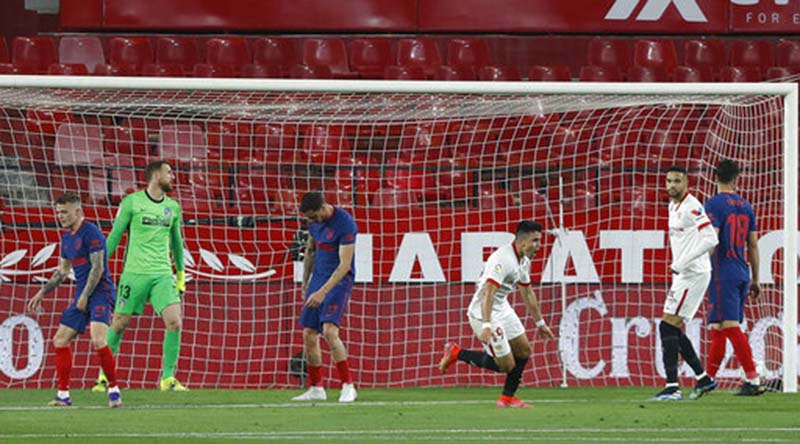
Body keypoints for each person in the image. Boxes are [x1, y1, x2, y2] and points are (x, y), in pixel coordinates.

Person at [93, 160, 188, 392]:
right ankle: (105, 377)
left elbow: (176, 242)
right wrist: (97, 267)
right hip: (134, 274)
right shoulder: (132, 202)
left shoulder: (173, 207)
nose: (173, 176)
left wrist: (181, 274)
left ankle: (167, 379)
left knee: (175, 322)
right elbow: (115, 236)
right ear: (155, 175)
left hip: (162, 274)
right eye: (169, 172)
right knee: (119, 323)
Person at [438, 220, 555, 408]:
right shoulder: (504, 260)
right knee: (506, 365)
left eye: (539, 241)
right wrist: (486, 324)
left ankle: (507, 398)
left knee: (524, 350)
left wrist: (540, 324)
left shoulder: (523, 260)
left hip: (501, 307)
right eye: (535, 241)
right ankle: (457, 353)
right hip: (482, 312)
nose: (538, 246)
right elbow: (488, 293)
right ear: (522, 242)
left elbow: (527, 292)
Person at [26, 193, 122, 408]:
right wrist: (42, 292)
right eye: (58, 212)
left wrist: (85, 296)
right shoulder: (66, 237)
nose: (60, 216)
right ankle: (63, 395)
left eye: (64, 212)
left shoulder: (92, 233)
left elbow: (98, 268)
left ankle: (114, 390)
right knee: (60, 340)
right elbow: (63, 270)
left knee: (98, 340)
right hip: (82, 292)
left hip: (100, 292)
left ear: (78, 212)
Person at [652, 166, 719, 401]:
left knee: (666, 326)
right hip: (683, 273)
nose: (671, 185)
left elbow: (712, 238)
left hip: (693, 273)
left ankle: (672, 387)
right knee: (671, 326)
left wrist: (682, 261)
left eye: (677, 181)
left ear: (687, 183)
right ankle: (703, 379)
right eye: (668, 181)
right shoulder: (672, 206)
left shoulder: (692, 206)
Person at [704, 159, 765, 396]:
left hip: (723, 272)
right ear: (736, 179)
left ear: (715, 177)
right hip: (742, 271)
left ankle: (752, 378)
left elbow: (712, 239)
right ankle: (707, 379)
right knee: (719, 326)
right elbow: (753, 245)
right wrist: (755, 279)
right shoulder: (746, 206)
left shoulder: (714, 204)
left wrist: (694, 264)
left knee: (729, 326)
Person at [291, 191, 358, 403]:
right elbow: (311, 251)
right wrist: (305, 282)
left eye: (313, 216)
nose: (311, 221)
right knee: (309, 333)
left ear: (323, 207)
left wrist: (322, 292)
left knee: (329, 331)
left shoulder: (345, 223)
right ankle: (316, 387)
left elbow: (344, 265)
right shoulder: (314, 224)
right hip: (318, 279)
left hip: (339, 280)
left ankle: (348, 386)